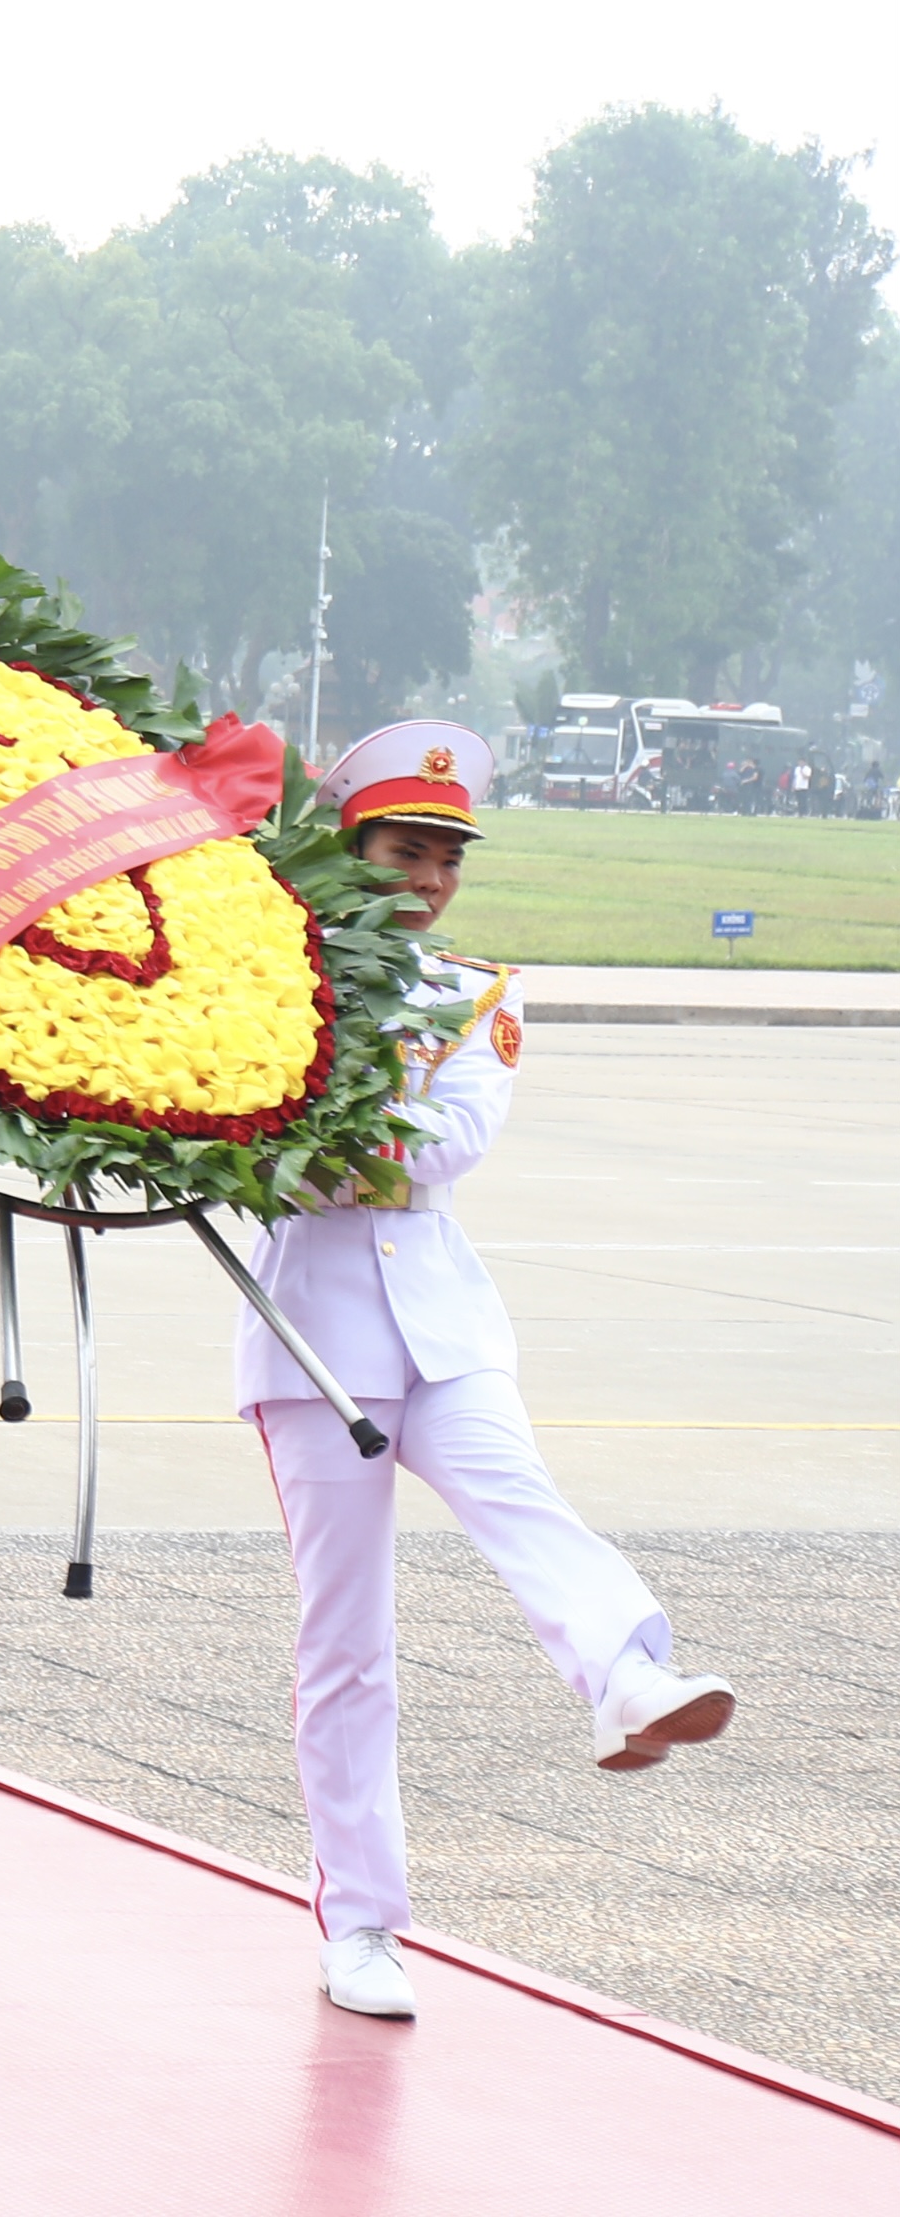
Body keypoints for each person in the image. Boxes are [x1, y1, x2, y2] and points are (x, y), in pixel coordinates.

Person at [250, 722, 735, 2022]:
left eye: (445, 858)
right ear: (347, 850)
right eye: (402, 852)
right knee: (344, 1642)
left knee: (521, 1499)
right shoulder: (258, 974)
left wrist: (309, 1123)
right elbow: (246, 1135)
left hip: (444, 1325)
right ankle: (358, 1923)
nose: (427, 880)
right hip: (313, 1343)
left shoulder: (475, 993)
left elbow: (442, 1144)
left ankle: (623, 1675)